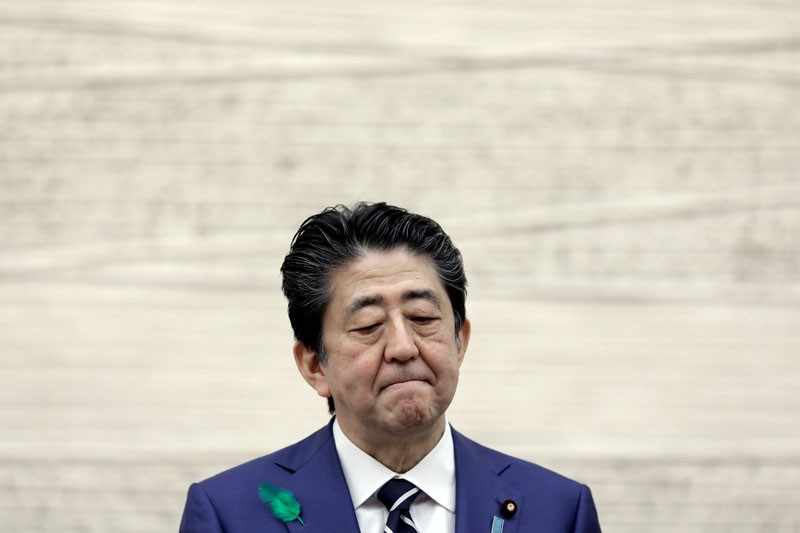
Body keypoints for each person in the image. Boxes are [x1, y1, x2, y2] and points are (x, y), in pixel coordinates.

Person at [179, 202, 602, 532]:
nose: (402, 347)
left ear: (460, 341)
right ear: (313, 365)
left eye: (422, 318)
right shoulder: (229, 515)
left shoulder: (558, 511)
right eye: (368, 325)